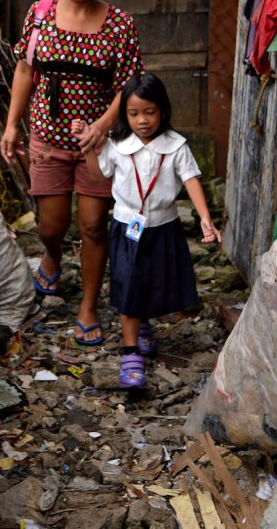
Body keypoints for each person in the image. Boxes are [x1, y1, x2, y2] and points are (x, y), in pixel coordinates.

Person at [2, 0, 142, 347]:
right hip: (47, 136)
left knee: (94, 226)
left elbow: (128, 86)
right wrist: (13, 124)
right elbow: (26, 71)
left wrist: (103, 124)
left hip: (100, 144)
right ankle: (52, 254)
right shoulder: (40, 16)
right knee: (51, 224)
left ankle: (88, 307)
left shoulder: (119, 24)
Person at [73, 73, 221, 389]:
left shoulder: (176, 146)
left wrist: (205, 217)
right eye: (134, 113)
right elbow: (98, 178)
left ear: (163, 110)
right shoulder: (117, 145)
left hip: (164, 227)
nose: (142, 121)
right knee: (128, 281)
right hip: (128, 227)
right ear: (125, 114)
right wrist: (88, 148)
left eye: (150, 112)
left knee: (154, 279)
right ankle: (130, 353)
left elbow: (192, 179)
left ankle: (142, 325)